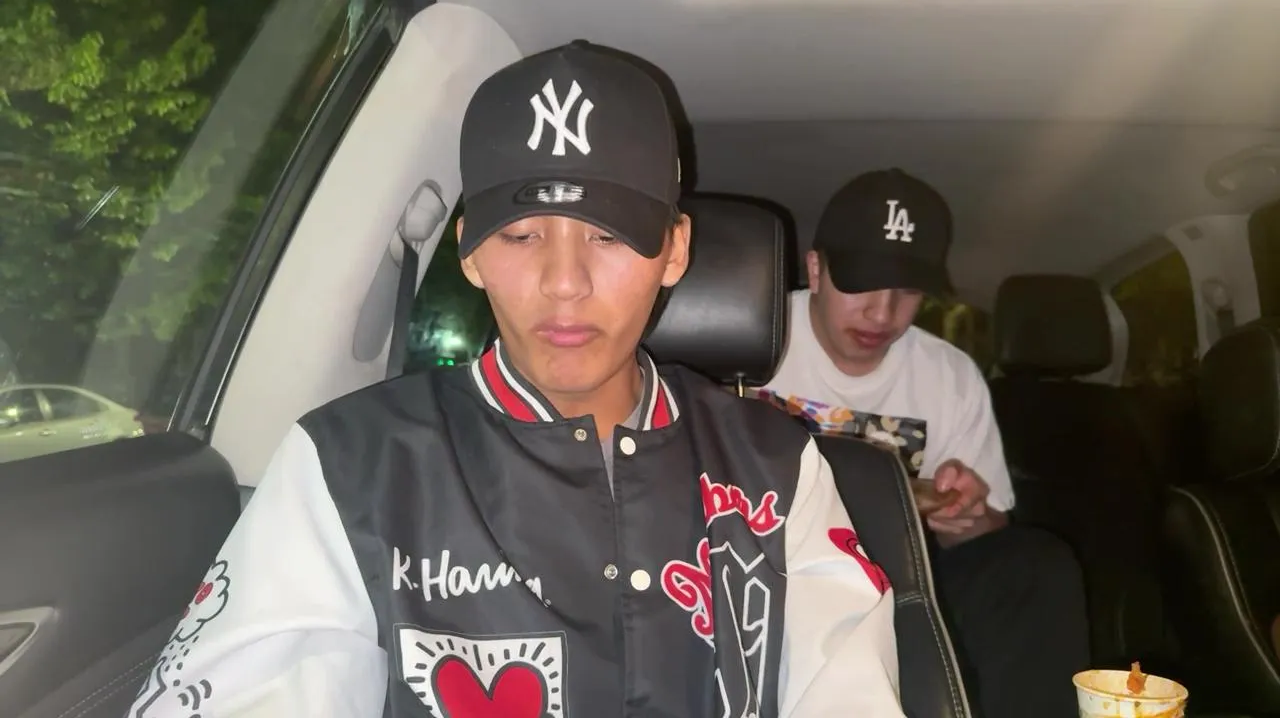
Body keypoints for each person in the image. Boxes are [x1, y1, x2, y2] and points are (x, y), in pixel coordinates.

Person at [124, 42, 905, 718]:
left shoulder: (776, 467)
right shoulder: (351, 466)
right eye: (522, 234)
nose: (564, 281)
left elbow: (848, 692)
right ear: (469, 252)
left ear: (673, 249)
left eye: (607, 236)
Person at [756, 169, 1091, 718]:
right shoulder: (751, 336)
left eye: (908, 291)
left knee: (1035, 564)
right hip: (766, 567)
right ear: (816, 270)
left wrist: (969, 517)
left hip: (904, 577)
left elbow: (987, 534)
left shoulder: (948, 374)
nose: (882, 313)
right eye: (862, 283)